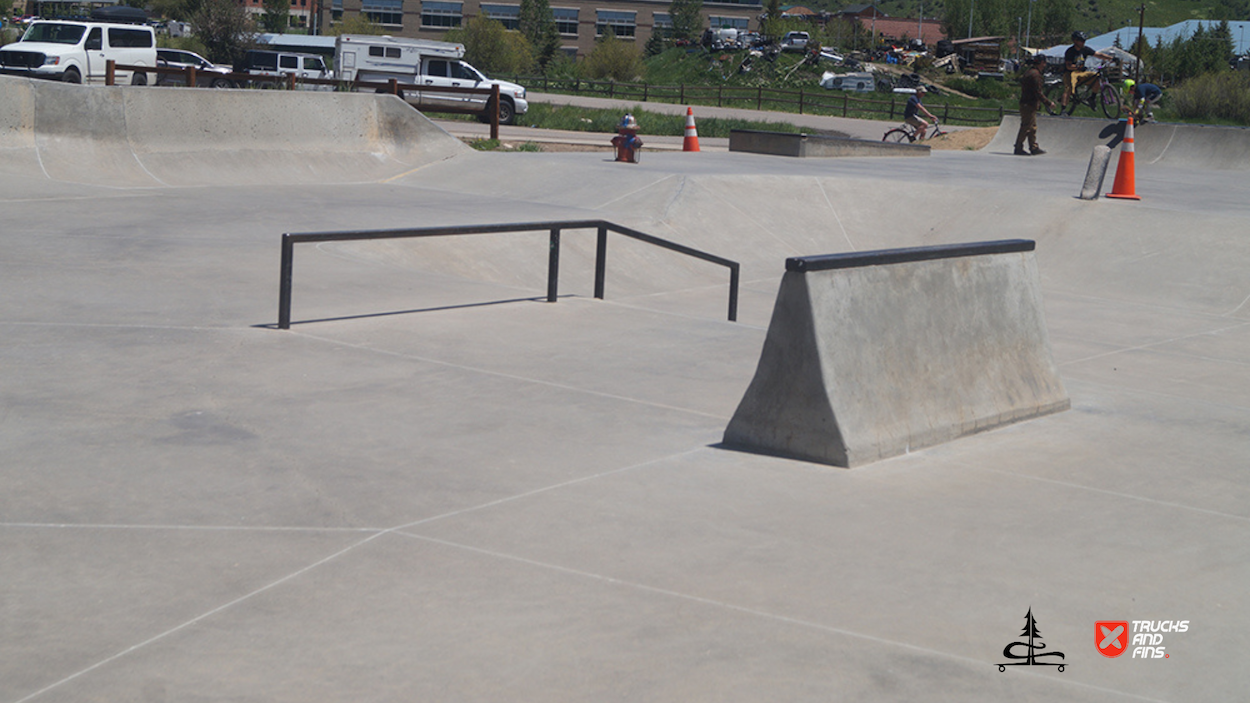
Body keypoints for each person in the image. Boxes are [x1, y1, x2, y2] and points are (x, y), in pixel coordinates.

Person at [1015, 54, 1057, 156]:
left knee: (1032, 127)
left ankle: (1033, 147)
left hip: (1027, 103)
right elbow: (1038, 92)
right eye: (1044, 63)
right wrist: (1048, 103)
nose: (1045, 65)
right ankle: (1018, 147)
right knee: (1026, 127)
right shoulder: (1035, 75)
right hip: (1028, 104)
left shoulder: (1030, 72)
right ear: (1041, 63)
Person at [1062, 31, 1114, 111]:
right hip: (1070, 73)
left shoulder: (1085, 49)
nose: (1083, 42)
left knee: (1097, 77)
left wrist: (1111, 58)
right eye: (1081, 40)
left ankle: (1092, 98)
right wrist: (1077, 67)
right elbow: (1068, 66)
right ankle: (1063, 109)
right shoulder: (1070, 51)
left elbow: (1098, 55)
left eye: (1084, 41)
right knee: (1068, 88)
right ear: (1075, 41)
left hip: (1081, 73)